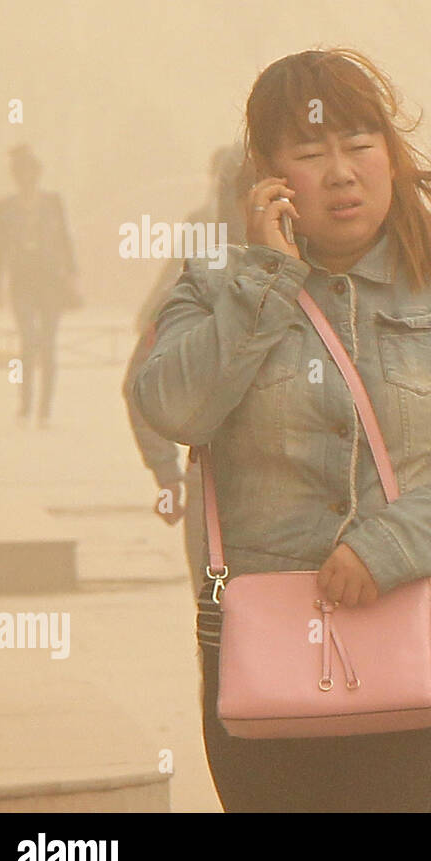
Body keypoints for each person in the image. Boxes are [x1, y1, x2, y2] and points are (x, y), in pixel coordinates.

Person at [133, 48, 431, 811]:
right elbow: (172, 408)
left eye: (360, 144)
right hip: (267, 647)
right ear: (267, 173)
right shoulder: (217, 283)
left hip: (430, 632)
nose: (341, 171)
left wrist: (388, 544)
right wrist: (266, 278)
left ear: (392, 154)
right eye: (310, 151)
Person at [122, 145, 252, 598]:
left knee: (224, 632)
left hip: (214, 498)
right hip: (218, 498)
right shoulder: (204, 268)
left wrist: (168, 475)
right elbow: (143, 381)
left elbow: (140, 381)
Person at [0, 145, 78, 428]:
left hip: (50, 280)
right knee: (28, 341)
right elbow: (1, 247)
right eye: (22, 174)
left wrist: (71, 271)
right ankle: (26, 404)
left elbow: (65, 238)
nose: (27, 179)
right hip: (22, 282)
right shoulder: (5, 208)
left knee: (48, 343)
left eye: (31, 173)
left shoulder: (52, 202)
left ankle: (44, 409)